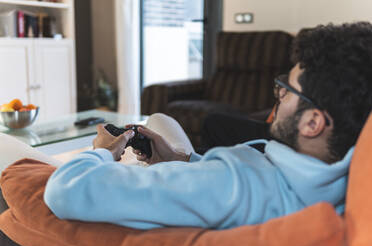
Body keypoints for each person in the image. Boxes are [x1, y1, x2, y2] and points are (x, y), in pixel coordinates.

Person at [44, 22, 372, 230]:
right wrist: (185, 162)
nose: (279, 93)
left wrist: (100, 153)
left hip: (180, 187)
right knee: (160, 122)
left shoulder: (230, 183)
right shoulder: (342, 179)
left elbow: (64, 191)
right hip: (201, 173)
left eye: (288, 89)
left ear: (313, 122)